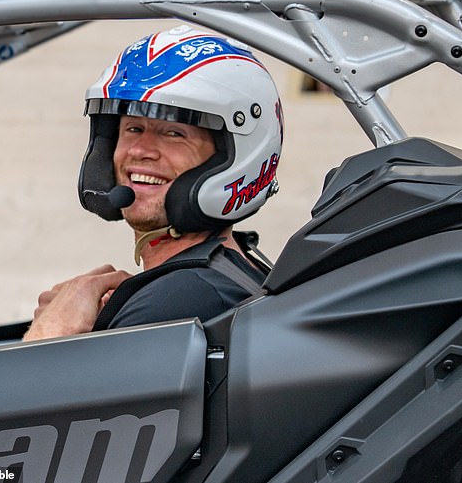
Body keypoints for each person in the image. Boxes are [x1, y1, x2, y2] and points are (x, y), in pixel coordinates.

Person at [23, 25, 283, 341]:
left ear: (233, 158)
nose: (140, 150)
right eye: (132, 128)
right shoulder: (225, 271)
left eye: (174, 133)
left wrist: (54, 328)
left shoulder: (180, 299)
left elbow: (30, 390)